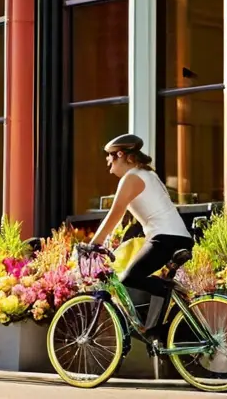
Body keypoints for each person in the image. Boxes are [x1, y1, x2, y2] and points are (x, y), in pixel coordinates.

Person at [87, 134, 194, 333]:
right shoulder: (147, 174)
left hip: (165, 238)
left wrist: (94, 244)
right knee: (150, 283)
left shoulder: (132, 177)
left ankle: (168, 300)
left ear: (121, 154)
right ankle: (160, 332)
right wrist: (108, 241)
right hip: (179, 237)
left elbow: (115, 213)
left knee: (130, 278)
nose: (108, 162)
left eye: (110, 157)